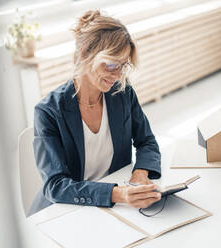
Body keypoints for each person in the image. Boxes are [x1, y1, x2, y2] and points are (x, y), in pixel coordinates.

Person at [30, 10, 162, 215]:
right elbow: (55, 185)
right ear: (84, 53)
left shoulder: (123, 93)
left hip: (117, 206)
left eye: (122, 65)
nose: (117, 74)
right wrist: (116, 194)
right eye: (111, 64)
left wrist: (140, 174)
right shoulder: (48, 112)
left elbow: (147, 141)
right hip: (67, 209)